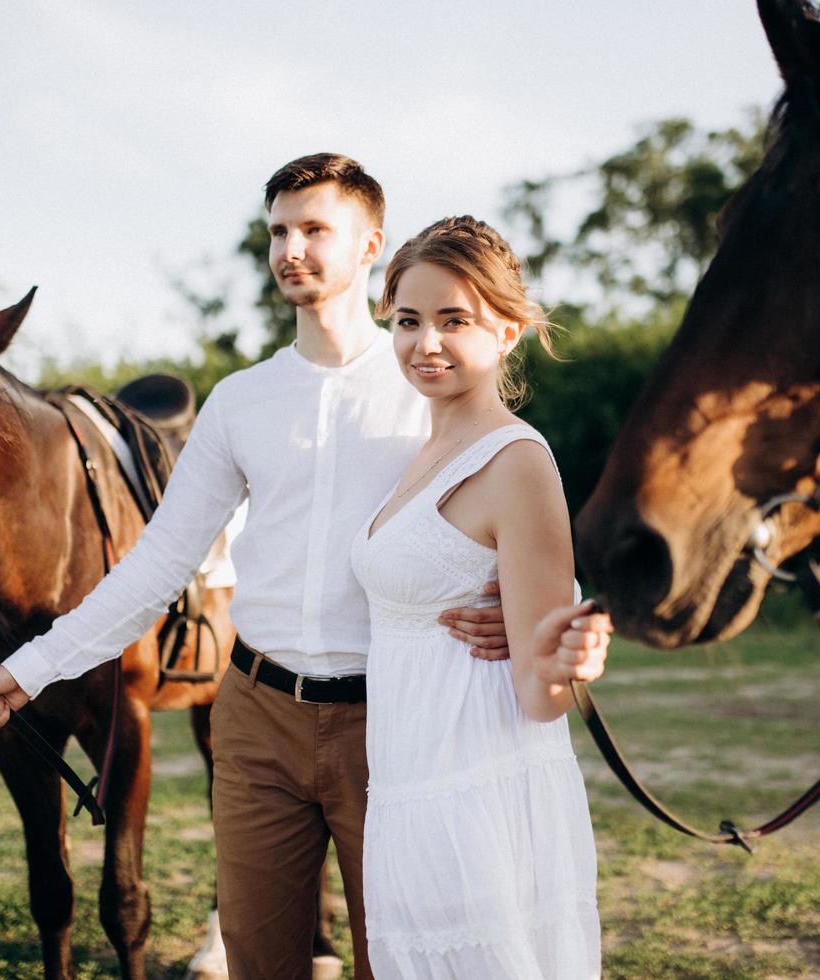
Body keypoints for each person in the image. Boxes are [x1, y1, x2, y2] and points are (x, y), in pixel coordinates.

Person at [0, 154, 511, 980]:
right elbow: (156, 566)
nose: (292, 248)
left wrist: (543, 610)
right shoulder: (241, 400)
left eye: (316, 229)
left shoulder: (428, 390)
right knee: (258, 961)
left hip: (390, 719)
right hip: (254, 719)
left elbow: (515, 526)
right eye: (280, 230)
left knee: (394, 959)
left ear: (371, 248)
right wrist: (30, 669)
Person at [352, 216, 609, 978]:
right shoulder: (416, 454)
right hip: (406, 783)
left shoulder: (518, 462)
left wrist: (573, 655)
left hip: (478, 791)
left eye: (453, 320)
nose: (425, 342)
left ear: (507, 331)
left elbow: (540, 693)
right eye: (407, 320)